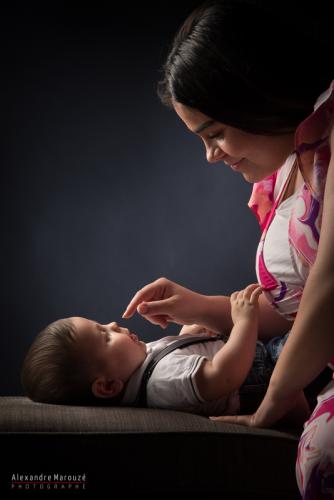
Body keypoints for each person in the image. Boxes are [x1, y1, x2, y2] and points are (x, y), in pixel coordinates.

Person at [121, 1, 334, 497]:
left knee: (322, 456)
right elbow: (297, 311)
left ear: (255, 95)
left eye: (214, 133)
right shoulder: (288, 172)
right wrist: (196, 306)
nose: (211, 156)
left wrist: (271, 405)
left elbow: (328, 285)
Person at [21, 284, 304, 418]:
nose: (113, 324)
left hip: (270, 359)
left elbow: (184, 356)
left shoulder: (143, 361)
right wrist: (245, 322)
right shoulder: (162, 382)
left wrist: (188, 334)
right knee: (312, 336)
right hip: (269, 370)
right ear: (107, 385)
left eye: (102, 324)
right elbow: (224, 376)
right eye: (105, 336)